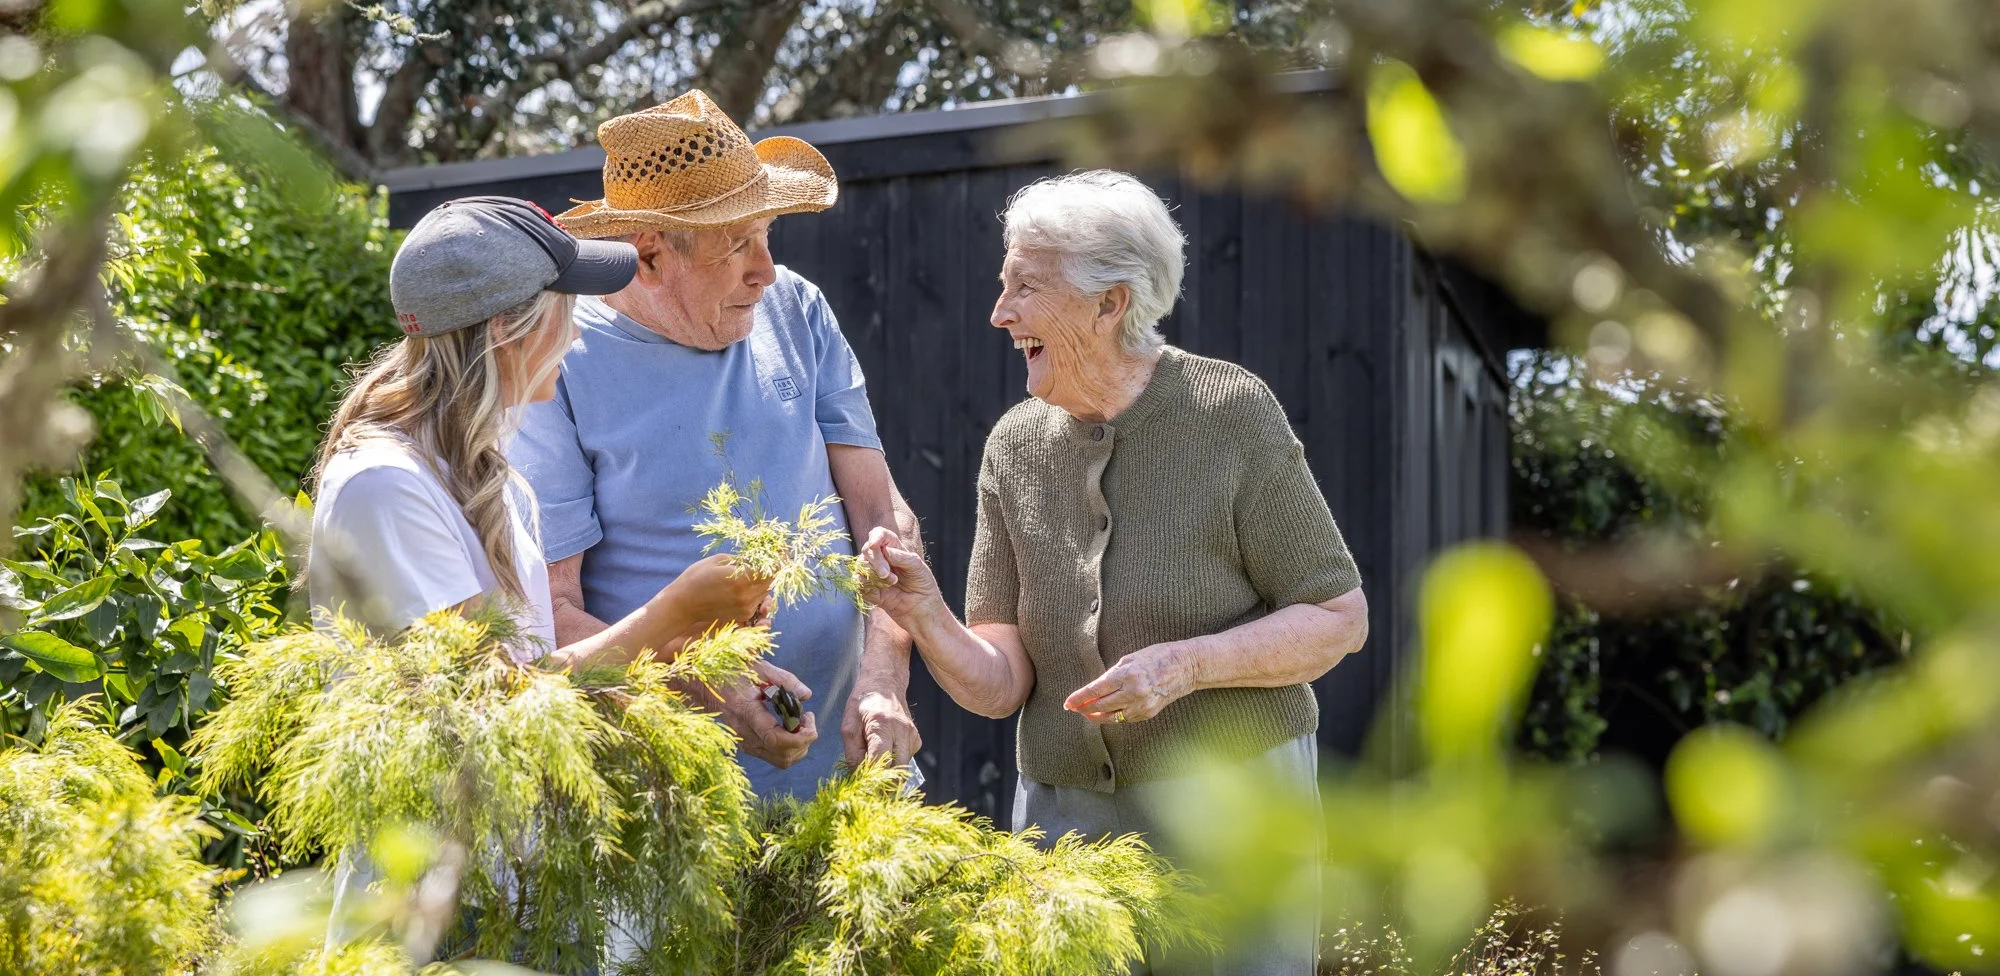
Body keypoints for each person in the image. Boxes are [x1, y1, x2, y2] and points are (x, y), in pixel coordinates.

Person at [862, 171, 1370, 975]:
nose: (1000, 313)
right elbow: (999, 685)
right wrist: (925, 615)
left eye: (1025, 286)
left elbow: (1337, 616)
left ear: (1112, 303)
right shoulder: (1015, 447)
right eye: (1003, 285)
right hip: (1070, 827)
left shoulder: (1229, 411)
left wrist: (1187, 666)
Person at [511, 89, 922, 800]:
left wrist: (885, 677)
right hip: (679, 800)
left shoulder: (795, 306)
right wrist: (705, 687)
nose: (765, 270)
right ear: (647, 255)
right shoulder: (558, 359)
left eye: (766, 236)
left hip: (857, 775)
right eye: (737, 245)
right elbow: (553, 612)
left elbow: (881, 509)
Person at [306, 194, 790, 679]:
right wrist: (672, 611)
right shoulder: (385, 485)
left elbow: (529, 666)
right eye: (563, 309)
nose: (577, 334)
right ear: (504, 330)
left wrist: (696, 653)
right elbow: (493, 700)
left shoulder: (471, 459)